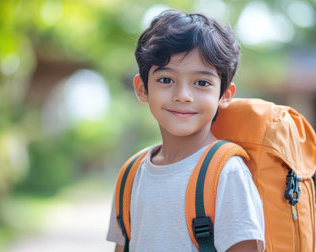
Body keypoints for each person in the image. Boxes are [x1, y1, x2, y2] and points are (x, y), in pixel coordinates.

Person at [106, 9, 265, 252]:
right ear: (141, 88)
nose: (183, 96)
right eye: (166, 80)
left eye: (201, 83)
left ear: (224, 95)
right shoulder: (131, 174)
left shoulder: (227, 173)